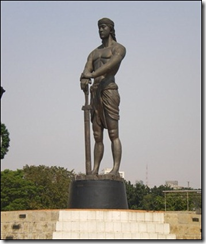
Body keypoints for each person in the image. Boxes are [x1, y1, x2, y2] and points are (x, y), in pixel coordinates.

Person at [80, 18, 126, 176]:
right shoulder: (94, 53)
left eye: (103, 27)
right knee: (97, 135)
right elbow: (85, 71)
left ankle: (115, 169)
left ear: (111, 29)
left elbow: (111, 65)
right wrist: (84, 80)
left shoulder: (119, 48)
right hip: (95, 94)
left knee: (113, 133)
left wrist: (91, 74)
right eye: (99, 27)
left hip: (109, 90)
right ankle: (95, 169)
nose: (100, 30)